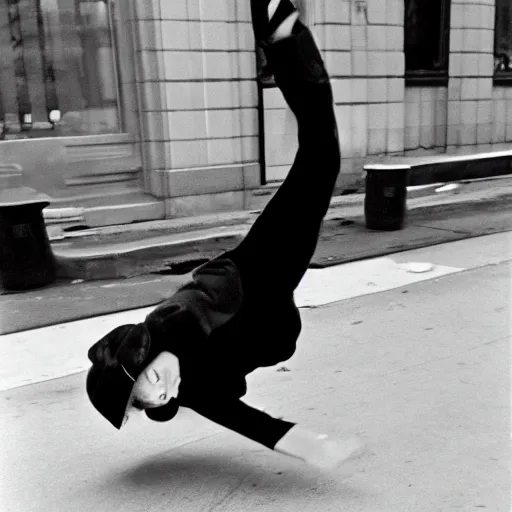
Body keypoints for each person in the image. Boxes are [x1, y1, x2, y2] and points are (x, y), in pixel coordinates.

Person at [86, 0, 365, 471]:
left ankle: (284, 40)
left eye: (153, 378)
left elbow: (194, 302)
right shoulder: (189, 390)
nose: (164, 392)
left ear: (150, 350)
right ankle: (281, 41)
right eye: (152, 400)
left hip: (259, 268)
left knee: (320, 157)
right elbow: (243, 419)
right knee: (320, 155)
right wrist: (312, 447)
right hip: (271, 298)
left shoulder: (172, 321)